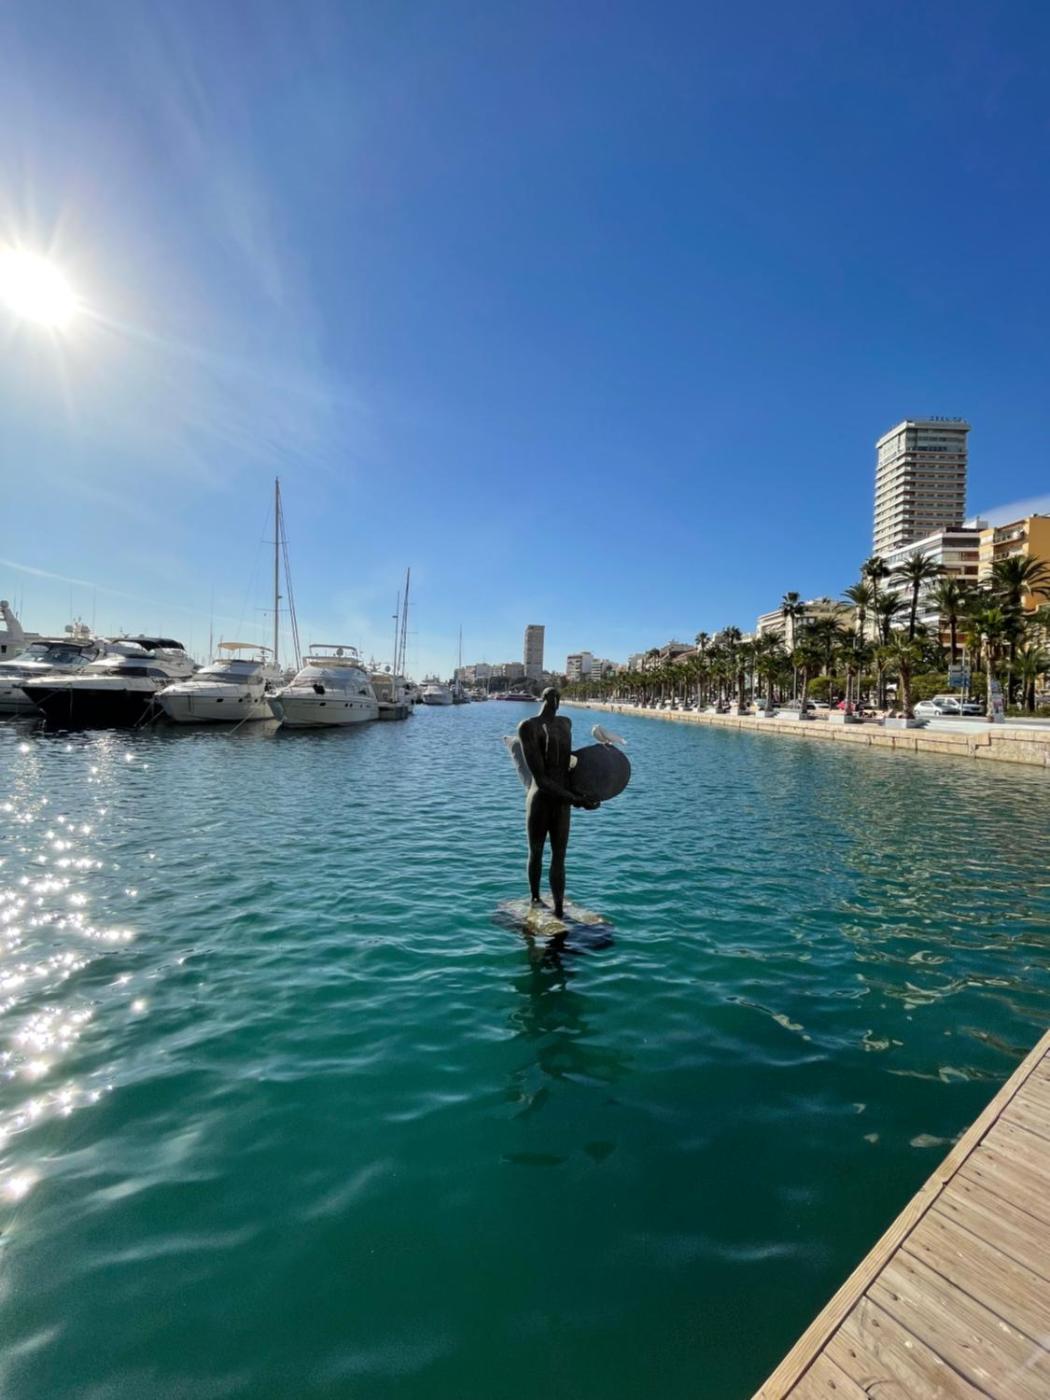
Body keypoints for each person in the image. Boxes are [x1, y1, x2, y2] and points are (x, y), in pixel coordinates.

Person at [517, 688, 599, 919]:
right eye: (551, 697)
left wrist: (586, 794)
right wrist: (575, 799)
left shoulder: (566, 723)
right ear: (543, 699)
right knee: (536, 851)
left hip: (562, 801)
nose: (555, 701)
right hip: (541, 800)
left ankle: (559, 907)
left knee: (559, 855)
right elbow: (541, 778)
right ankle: (535, 898)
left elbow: (570, 766)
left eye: (558, 697)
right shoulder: (528, 727)